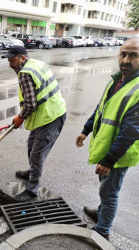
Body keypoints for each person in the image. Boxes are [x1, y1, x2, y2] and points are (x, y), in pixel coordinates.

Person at [76, 38, 139, 241]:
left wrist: (108, 161)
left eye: (133, 55)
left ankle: (103, 230)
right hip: (109, 148)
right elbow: (101, 108)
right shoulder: (116, 80)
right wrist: (86, 130)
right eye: (123, 54)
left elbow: (131, 131)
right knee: (106, 187)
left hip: (119, 154)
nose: (126, 60)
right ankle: (101, 213)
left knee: (109, 192)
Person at [1, 46, 66, 201]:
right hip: (51, 113)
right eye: (9, 60)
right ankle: (31, 172)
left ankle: (32, 191)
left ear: (23, 57)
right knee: (32, 146)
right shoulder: (36, 64)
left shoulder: (25, 74)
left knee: (37, 155)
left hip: (50, 117)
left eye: (13, 60)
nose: (11, 64)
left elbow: (30, 104)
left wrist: (19, 118)